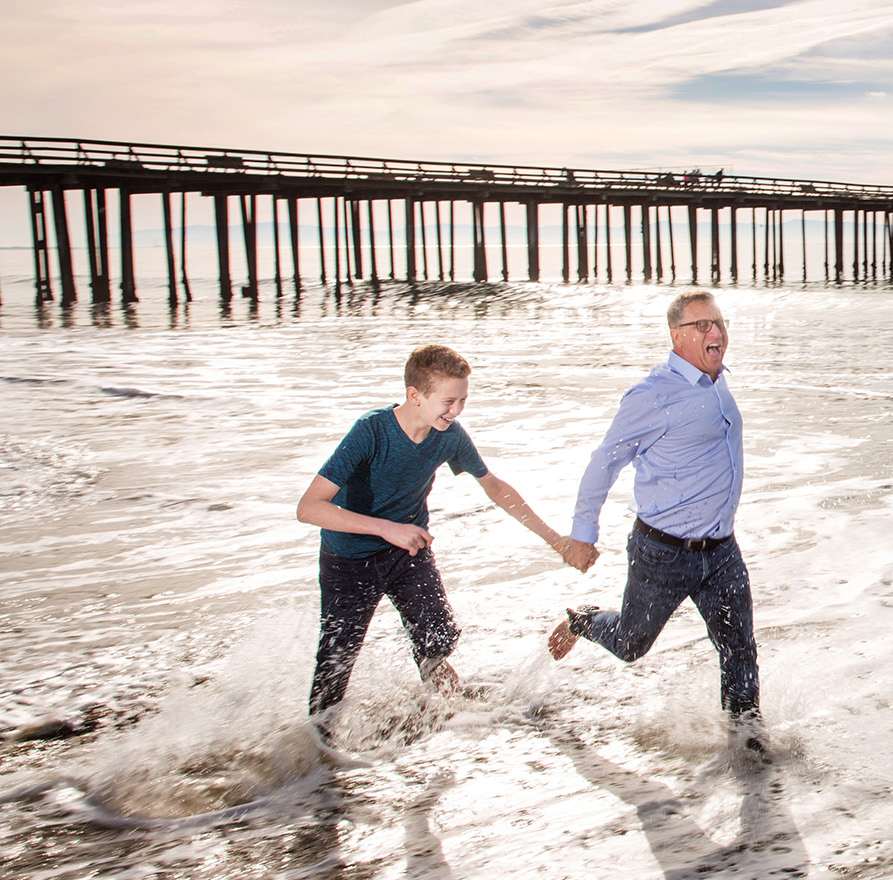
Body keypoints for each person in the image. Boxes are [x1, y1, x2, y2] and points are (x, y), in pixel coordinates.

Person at [298, 343, 580, 721]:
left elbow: (494, 487)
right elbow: (309, 507)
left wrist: (555, 539)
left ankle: (447, 719)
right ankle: (318, 743)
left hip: (408, 552)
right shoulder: (371, 431)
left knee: (438, 639)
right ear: (415, 395)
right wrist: (387, 529)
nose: (457, 411)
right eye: (449, 402)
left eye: (463, 400)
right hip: (349, 558)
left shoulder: (448, 435)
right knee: (337, 660)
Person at [549, 289, 760, 740]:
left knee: (739, 650)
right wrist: (582, 534)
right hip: (664, 553)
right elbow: (604, 462)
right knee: (630, 644)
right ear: (676, 336)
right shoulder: (652, 395)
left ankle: (747, 744)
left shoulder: (717, 381)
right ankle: (585, 619)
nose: (716, 332)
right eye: (702, 325)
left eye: (719, 323)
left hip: (722, 551)